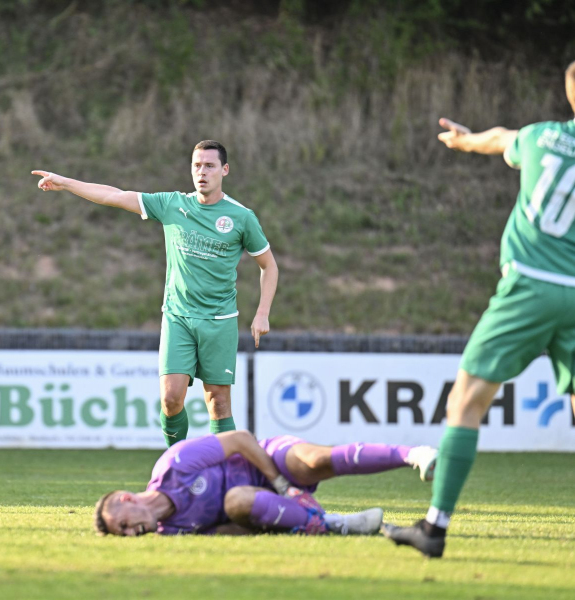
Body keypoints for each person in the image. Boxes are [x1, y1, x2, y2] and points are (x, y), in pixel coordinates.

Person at [384, 61, 575, 558]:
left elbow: (499, 138)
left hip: (530, 289)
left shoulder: (541, 138)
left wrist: (463, 140)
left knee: (465, 401)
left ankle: (435, 527)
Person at [33, 140, 278, 446]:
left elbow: (269, 266)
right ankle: (175, 470)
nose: (202, 172)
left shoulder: (241, 217)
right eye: (197, 165)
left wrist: (262, 312)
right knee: (171, 398)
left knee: (218, 402)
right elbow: (115, 195)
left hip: (219, 320)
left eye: (210, 166)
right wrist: (66, 183)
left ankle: (225, 475)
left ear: (224, 170)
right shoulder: (172, 204)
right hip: (178, 317)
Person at [93, 429, 438, 536]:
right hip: (265, 501)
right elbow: (232, 531)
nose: (129, 533)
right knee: (237, 501)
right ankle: (330, 524)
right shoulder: (173, 530)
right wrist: (264, 519)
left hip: (269, 460)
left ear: (126, 498)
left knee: (313, 462)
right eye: (122, 533)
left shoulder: (174, 464)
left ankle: (413, 454)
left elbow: (242, 440)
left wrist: (279, 483)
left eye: (123, 525)